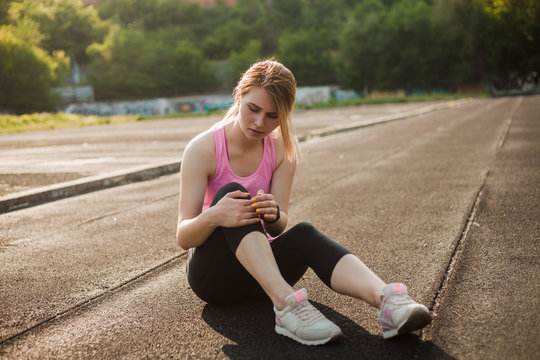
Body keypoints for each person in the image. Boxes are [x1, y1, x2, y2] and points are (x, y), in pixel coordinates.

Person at [176, 59, 431, 346]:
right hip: (214, 279)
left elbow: (278, 228)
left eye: (273, 116)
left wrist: (274, 215)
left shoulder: (282, 149)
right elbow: (184, 236)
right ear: (239, 95)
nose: (260, 123)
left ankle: (388, 301)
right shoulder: (203, 148)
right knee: (233, 195)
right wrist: (215, 216)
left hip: (263, 276)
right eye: (253, 109)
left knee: (305, 232)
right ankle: (288, 307)